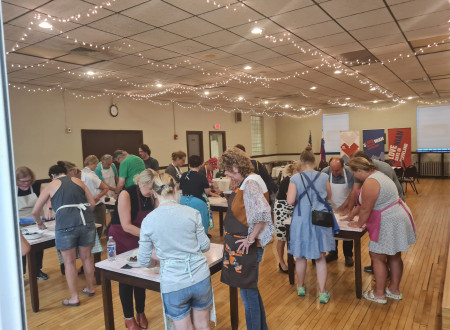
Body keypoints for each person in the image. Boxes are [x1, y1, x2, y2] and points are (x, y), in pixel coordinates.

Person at [138, 173, 214, 330]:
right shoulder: (192, 213)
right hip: (200, 276)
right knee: (203, 325)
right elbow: (205, 246)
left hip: (174, 281)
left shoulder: (149, 220)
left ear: (153, 193)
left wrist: (158, 258)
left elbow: (144, 261)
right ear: (175, 188)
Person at [219, 147, 274, 330]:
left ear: (235, 166)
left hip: (248, 248)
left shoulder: (250, 183)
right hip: (246, 246)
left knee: (248, 297)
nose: (226, 174)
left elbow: (263, 212)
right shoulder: (250, 179)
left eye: (227, 170)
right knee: (252, 292)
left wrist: (250, 239)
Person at [348, 157, 416, 304]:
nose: (355, 176)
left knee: (377, 256)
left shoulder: (371, 182)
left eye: (354, 173)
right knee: (395, 255)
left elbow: (366, 208)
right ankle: (394, 290)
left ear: (359, 170)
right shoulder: (379, 175)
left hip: (389, 220)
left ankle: (379, 293)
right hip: (397, 216)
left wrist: (358, 224)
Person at [31, 161, 97, 306]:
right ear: (65, 172)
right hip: (86, 223)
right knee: (87, 258)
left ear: (53, 175)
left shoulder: (51, 185)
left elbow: (35, 211)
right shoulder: (79, 181)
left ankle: (74, 298)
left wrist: (40, 223)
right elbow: (92, 204)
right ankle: (90, 288)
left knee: (69, 262)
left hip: (65, 225)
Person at [108, 169, 157, 329]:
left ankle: (140, 312)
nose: (152, 192)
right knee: (126, 278)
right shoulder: (126, 194)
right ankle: (128, 317)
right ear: (141, 183)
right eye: (150, 188)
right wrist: (149, 237)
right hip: (122, 236)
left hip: (140, 237)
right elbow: (126, 225)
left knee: (141, 274)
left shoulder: (151, 196)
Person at [286, 147, 335, 304]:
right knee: (320, 258)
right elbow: (329, 196)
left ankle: (300, 287)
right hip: (319, 221)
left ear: (301, 162)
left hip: (300, 220)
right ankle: (322, 292)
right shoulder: (324, 176)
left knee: (300, 256)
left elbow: (290, 201)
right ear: (314, 162)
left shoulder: (295, 179)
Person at [347, 151, 405, 274]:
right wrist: (351, 213)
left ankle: (384, 270)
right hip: (381, 209)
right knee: (380, 250)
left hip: (390, 209)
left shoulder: (379, 173)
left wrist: (358, 223)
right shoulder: (369, 174)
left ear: (360, 167)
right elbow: (359, 194)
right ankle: (379, 267)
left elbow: (368, 205)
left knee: (388, 249)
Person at [321, 157, 355, 267]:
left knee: (348, 232)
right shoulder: (325, 172)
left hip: (347, 206)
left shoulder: (350, 173)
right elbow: (322, 191)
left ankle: (348, 255)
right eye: (332, 170)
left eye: (337, 170)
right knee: (331, 231)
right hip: (330, 207)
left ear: (342, 167)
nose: (334, 173)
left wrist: (342, 208)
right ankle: (333, 253)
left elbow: (352, 194)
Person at [16, 166, 48, 280]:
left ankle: (37, 270)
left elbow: (48, 197)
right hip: (20, 224)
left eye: (29, 181)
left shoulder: (36, 186)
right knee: (21, 249)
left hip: (36, 222)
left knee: (38, 247)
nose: (26, 183)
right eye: (23, 181)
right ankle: (21, 273)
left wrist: (49, 208)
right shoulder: (11, 189)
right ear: (16, 180)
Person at [273, 162, 298, 273]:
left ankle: (291, 259)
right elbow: (291, 198)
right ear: (294, 172)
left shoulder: (296, 180)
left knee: (290, 238)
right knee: (282, 238)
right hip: (281, 210)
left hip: (290, 209)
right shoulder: (288, 181)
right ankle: (282, 262)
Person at [179, 155, 214, 235]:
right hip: (197, 202)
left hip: (183, 201)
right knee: (201, 222)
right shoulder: (201, 177)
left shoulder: (184, 175)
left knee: (186, 222)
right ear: (201, 165)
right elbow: (207, 191)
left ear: (189, 164)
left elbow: (181, 188)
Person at [82, 156, 109, 231]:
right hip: (96, 204)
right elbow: (106, 188)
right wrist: (98, 195)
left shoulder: (81, 173)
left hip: (85, 205)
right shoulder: (91, 175)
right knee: (98, 229)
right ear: (92, 163)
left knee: (89, 230)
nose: (97, 166)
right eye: (96, 164)